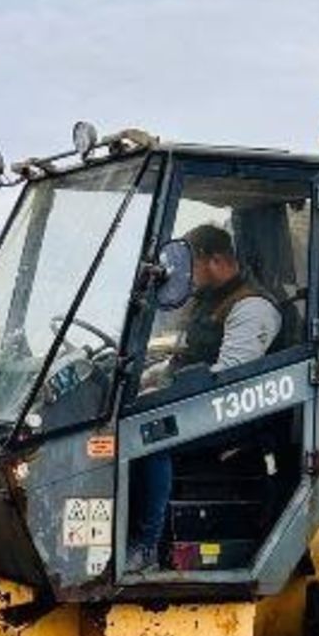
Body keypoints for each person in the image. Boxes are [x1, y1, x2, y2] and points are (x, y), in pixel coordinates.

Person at [126, 223, 280, 572]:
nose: (185, 277)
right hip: (200, 402)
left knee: (149, 437)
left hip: (236, 413)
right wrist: (148, 379)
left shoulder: (252, 306)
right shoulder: (209, 300)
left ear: (213, 260)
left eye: (189, 265)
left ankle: (145, 547)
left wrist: (166, 393)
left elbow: (231, 376)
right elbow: (189, 355)